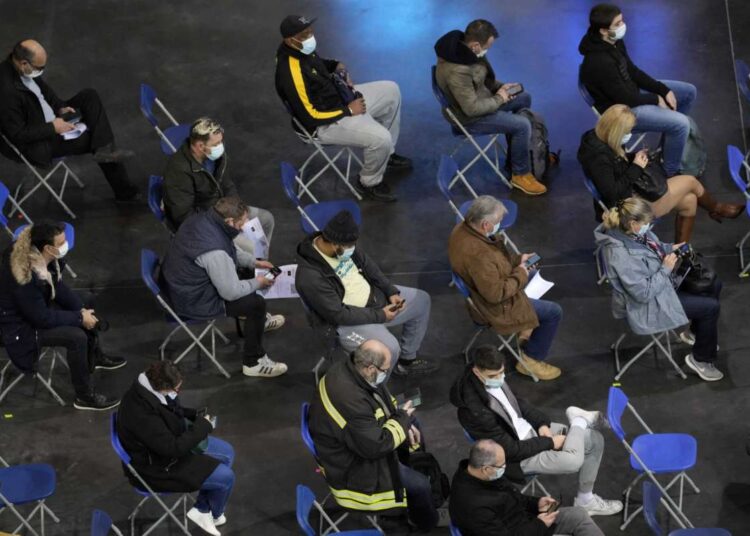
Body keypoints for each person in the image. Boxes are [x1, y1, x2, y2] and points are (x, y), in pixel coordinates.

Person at [450, 345, 623, 517]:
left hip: (531, 432)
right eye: (493, 376)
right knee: (573, 461)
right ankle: (579, 421)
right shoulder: (474, 411)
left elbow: (518, 404)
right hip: (517, 456)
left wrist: (542, 425)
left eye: (501, 373)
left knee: (595, 439)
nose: (499, 378)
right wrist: (549, 442)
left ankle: (585, 500)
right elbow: (510, 450)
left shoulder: (493, 377)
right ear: (476, 371)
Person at [275, 14, 412, 203]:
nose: (311, 37)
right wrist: (348, 110)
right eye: (305, 35)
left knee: (391, 91)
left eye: (310, 32)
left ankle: (385, 157)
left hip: (339, 100)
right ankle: (369, 183)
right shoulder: (290, 72)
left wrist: (336, 65)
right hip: (323, 123)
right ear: (291, 40)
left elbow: (319, 65)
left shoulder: (301, 50)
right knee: (381, 138)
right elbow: (309, 116)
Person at [308, 339, 439, 532]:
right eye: (385, 369)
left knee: (413, 424)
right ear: (370, 368)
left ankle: (410, 470)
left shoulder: (351, 369)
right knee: (420, 486)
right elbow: (376, 447)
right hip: (352, 467)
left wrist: (402, 419)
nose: (386, 374)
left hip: (355, 442)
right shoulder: (349, 398)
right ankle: (426, 523)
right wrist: (401, 421)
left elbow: (379, 401)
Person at [595, 197, 724, 381]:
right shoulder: (620, 255)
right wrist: (665, 269)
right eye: (647, 223)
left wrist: (671, 248)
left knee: (714, 283)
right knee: (710, 308)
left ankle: (695, 333)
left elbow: (654, 248)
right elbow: (642, 294)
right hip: (645, 304)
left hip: (662, 283)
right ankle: (701, 360)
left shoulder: (633, 232)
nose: (650, 226)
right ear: (633, 223)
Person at [0, 222, 125, 410]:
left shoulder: (43, 255)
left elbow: (56, 286)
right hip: (20, 326)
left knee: (87, 300)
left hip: (36, 306)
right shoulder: (22, 275)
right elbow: (41, 318)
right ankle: (84, 397)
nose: (66, 244)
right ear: (48, 248)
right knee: (76, 337)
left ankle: (94, 357)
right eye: (62, 242)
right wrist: (79, 318)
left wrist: (81, 310)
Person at [295, 210, 436, 376]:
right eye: (349, 247)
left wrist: (390, 290)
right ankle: (372, 391)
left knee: (422, 300)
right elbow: (338, 315)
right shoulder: (310, 276)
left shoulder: (343, 245)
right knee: (388, 350)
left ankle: (406, 361)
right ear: (334, 244)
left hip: (375, 301)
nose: (352, 250)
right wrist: (380, 316)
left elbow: (370, 267)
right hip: (347, 323)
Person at [160, 197, 287, 378]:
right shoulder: (214, 252)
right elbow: (231, 292)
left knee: (244, 275)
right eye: (242, 222)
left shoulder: (206, 219)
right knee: (256, 304)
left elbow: (231, 248)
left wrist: (254, 263)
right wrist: (259, 282)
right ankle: (254, 362)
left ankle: (255, 325)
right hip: (193, 300)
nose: (245, 226)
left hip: (180, 285)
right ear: (229, 221)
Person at [577, 104, 743, 241]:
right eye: (627, 132)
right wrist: (636, 167)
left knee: (690, 200)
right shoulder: (598, 158)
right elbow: (612, 193)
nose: (629, 135)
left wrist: (632, 157)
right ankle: (717, 208)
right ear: (615, 132)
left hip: (628, 191)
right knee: (690, 182)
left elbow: (615, 164)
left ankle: (680, 253)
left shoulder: (599, 136)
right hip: (627, 208)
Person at [0, 40, 139, 203]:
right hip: (39, 143)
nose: (41, 72)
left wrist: (60, 108)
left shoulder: (23, 69)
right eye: (40, 68)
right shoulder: (6, 92)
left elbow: (46, 94)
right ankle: (124, 191)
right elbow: (17, 135)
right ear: (24, 63)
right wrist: (53, 127)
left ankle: (105, 151)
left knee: (89, 96)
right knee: (95, 137)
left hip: (51, 119)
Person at [448, 196, 562, 380]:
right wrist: (521, 273)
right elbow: (496, 294)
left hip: (484, 289)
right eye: (498, 221)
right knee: (553, 312)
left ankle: (526, 329)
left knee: (530, 274)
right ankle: (531, 359)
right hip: (493, 306)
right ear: (485, 224)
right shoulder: (479, 254)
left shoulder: (462, 229)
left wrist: (519, 261)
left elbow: (494, 265)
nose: (499, 225)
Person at [117, 361, 235, 536]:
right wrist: (202, 426)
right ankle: (213, 513)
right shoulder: (141, 413)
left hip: (165, 447)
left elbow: (171, 409)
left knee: (227, 453)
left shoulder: (148, 388)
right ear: (162, 386)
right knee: (227, 478)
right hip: (157, 467)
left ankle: (202, 509)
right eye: (176, 389)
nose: (177, 393)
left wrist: (194, 415)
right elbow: (173, 449)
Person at [578, 4, 696, 177]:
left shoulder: (613, 41)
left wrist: (662, 90)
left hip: (630, 94)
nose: (623, 26)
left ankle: (669, 145)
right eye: (618, 23)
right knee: (681, 124)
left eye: (622, 20)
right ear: (604, 30)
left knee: (688, 92)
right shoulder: (599, 63)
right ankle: (670, 172)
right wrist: (656, 99)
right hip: (622, 112)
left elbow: (632, 71)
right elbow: (626, 99)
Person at [435, 19, 549, 196]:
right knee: (522, 125)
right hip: (469, 118)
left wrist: (500, 88)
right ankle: (520, 174)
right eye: (487, 46)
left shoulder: (467, 52)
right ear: (475, 45)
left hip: (481, 100)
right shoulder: (456, 70)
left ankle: (521, 153)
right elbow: (471, 109)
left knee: (523, 98)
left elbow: (484, 80)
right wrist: (499, 98)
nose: (488, 50)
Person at [162, 117, 275, 257]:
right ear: (200, 146)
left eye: (221, 141)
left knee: (266, 219)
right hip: (203, 223)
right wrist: (225, 222)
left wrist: (239, 212)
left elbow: (228, 185)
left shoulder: (215, 157)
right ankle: (247, 272)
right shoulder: (179, 172)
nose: (220, 147)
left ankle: (259, 267)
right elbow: (184, 217)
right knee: (250, 246)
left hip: (225, 211)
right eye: (216, 144)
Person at [450, 439, 605, 535]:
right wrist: (540, 524)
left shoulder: (480, 474)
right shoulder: (474, 507)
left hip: (525, 521)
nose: (504, 468)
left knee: (578, 514)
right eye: (501, 465)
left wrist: (535, 503)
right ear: (485, 469)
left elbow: (511, 496)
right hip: (524, 529)